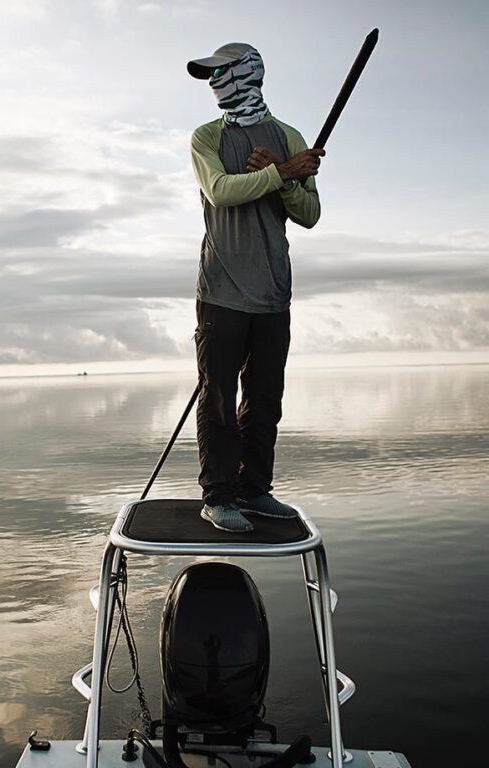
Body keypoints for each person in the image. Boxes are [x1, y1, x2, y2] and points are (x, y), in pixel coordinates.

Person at [186, 42, 325, 533]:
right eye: (209, 77)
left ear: (248, 72)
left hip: (272, 293)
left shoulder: (288, 136)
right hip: (220, 292)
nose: (214, 84)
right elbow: (220, 191)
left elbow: (309, 214)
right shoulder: (205, 137)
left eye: (219, 73)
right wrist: (283, 171)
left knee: (265, 398)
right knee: (218, 398)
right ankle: (218, 496)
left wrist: (288, 179)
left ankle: (255, 491)